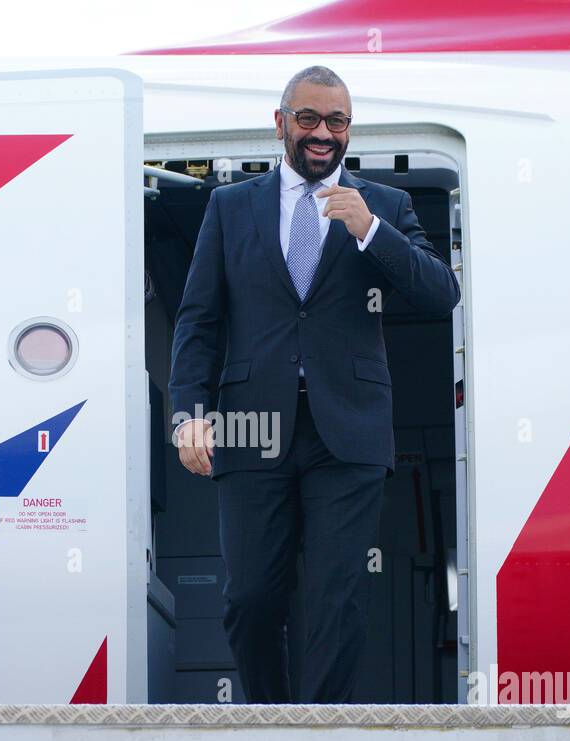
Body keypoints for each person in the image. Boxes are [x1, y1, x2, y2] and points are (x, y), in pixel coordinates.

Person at [168, 65, 460, 704]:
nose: (322, 133)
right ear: (281, 124)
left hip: (347, 427)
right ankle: (270, 724)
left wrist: (370, 233)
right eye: (308, 119)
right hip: (250, 427)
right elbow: (199, 321)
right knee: (249, 596)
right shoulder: (230, 207)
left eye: (337, 121)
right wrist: (186, 413)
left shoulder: (385, 206)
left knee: (338, 593)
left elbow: (441, 293)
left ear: (348, 130)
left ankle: (319, 736)